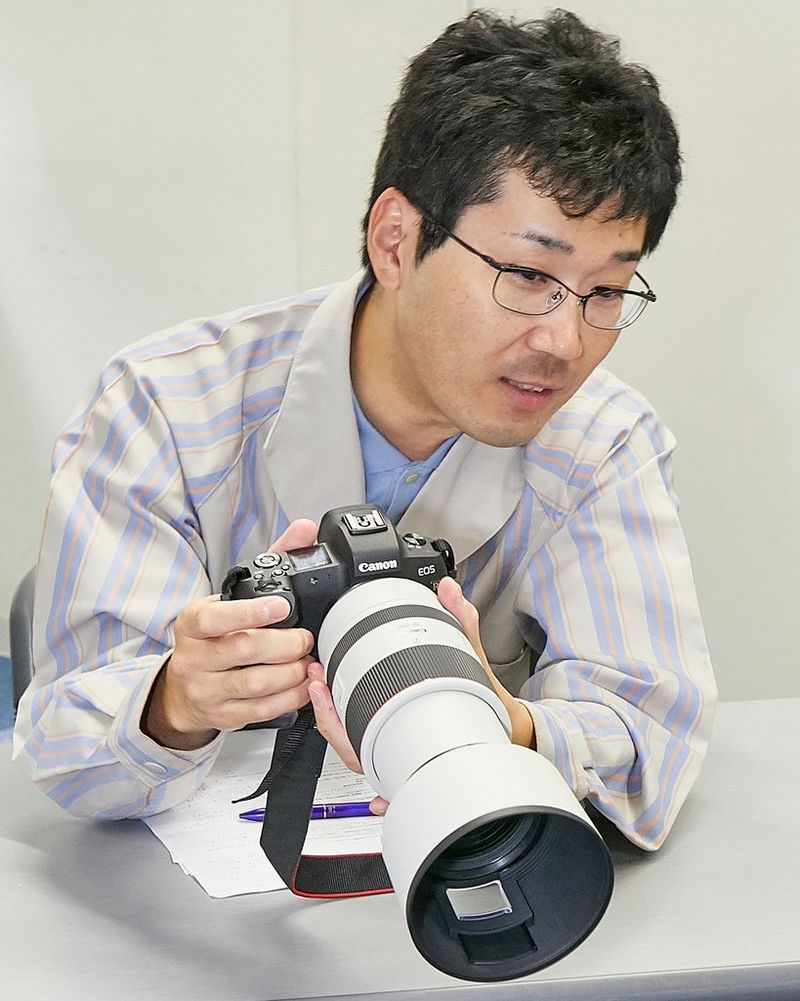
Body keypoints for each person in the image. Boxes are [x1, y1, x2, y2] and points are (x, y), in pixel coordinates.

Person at [14, 9, 715, 850]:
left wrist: (508, 726)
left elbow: (650, 742)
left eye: (606, 291)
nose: (565, 343)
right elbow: (64, 747)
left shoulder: (602, 442)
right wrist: (176, 700)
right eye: (529, 275)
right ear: (395, 240)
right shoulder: (165, 407)